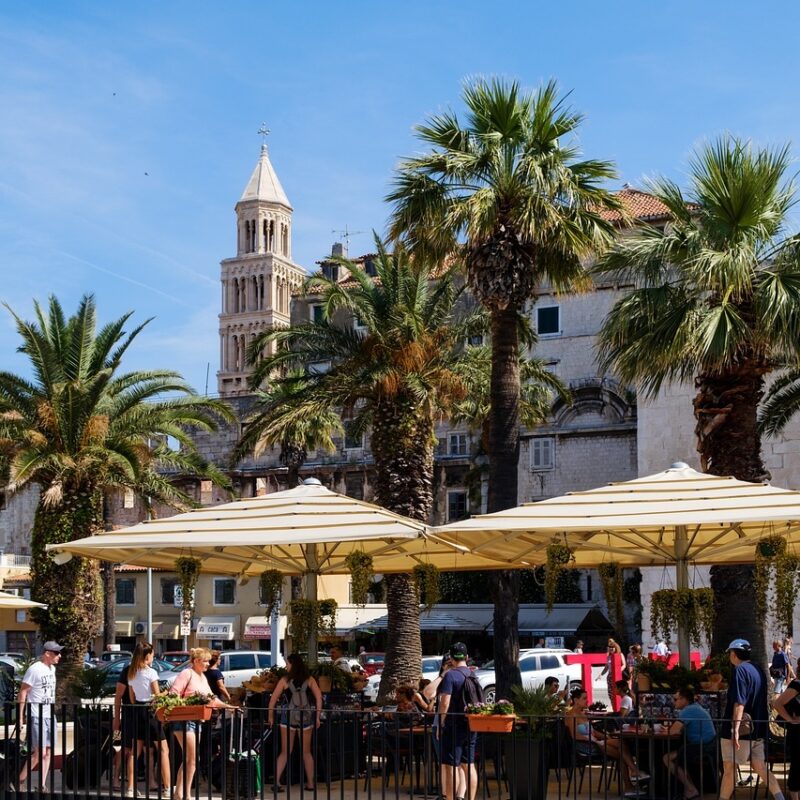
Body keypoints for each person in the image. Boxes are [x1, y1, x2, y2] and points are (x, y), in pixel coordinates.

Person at [719, 638, 785, 800]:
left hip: (740, 731)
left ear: (734, 654)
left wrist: (734, 729)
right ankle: (780, 798)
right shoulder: (758, 669)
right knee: (760, 767)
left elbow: (739, 701)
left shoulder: (739, 670)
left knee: (729, 769)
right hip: (757, 729)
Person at [169, 647, 238, 800]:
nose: (208, 664)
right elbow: (174, 694)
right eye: (205, 661)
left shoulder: (202, 676)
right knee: (192, 759)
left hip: (196, 720)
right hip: (184, 720)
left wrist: (227, 706)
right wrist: (190, 703)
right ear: (197, 661)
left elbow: (211, 698)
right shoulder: (187, 673)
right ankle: (185, 794)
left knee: (189, 759)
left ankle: (179, 793)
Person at [566, 688, 647, 788]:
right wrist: (594, 740)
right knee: (621, 750)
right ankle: (633, 774)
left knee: (621, 747)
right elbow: (575, 735)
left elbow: (593, 731)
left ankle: (631, 779)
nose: (587, 700)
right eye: (584, 698)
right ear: (576, 700)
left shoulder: (583, 714)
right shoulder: (570, 715)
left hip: (595, 742)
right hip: (585, 745)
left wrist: (606, 736)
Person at [267, 653, 323, 792]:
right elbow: (319, 698)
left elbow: (273, 699)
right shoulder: (309, 679)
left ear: (292, 664)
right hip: (306, 718)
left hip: (288, 717)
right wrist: (317, 717)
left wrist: (270, 716)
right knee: (306, 752)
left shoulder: (284, 680)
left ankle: (277, 782)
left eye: (287, 663)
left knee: (285, 752)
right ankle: (310, 783)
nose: (286, 666)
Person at [18, 641, 63, 792]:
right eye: (56, 653)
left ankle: (42, 785)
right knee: (39, 753)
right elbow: (23, 692)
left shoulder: (52, 669)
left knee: (48, 752)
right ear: (47, 653)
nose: (59, 656)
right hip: (37, 715)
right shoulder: (34, 669)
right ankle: (19, 780)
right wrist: (20, 717)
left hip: (50, 715)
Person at [125, 643, 170, 798]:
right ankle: (167, 787)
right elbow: (156, 696)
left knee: (134, 752)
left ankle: (130, 788)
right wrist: (166, 693)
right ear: (147, 656)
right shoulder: (151, 672)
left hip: (137, 711)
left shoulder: (131, 673)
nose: (153, 656)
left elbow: (131, 698)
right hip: (150, 712)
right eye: (152, 654)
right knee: (164, 750)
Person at [436, 642, 478, 800]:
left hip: (454, 725)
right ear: (466, 657)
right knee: (469, 765)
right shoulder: (472, 675)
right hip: (471, 724)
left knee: (451, 766)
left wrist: (441, 723)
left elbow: (445, 702)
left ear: (451, 659)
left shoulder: (450, 675)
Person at [663, 686, 717, 800]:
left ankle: (691, 789)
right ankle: (690, 788)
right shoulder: (695, 707)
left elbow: (673, 731)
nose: (674, 702)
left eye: (675, 699)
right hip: (709, 745)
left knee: (667, 758)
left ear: (684, 699)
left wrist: (665, 729)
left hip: (701, 747)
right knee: (678, 755)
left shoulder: (688, 710)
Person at [774, 673, 800, 800]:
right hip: (797, 734)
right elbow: (778, 703)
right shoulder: (797, 684)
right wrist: (790, 719)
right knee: (797, 766)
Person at [600, 639, 624, 706]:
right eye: (610, 647)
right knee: (610, 693)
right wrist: (601, 675)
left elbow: (624, 665)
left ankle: (620, 706)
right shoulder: (609, 657)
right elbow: (606, 667)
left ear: (616, 647)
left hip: (618, 676)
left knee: (619, 692)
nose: (611, 649)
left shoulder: (620, 655)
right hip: (610, 676)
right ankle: (614, 707)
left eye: (612, 647)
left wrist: (618, 671)